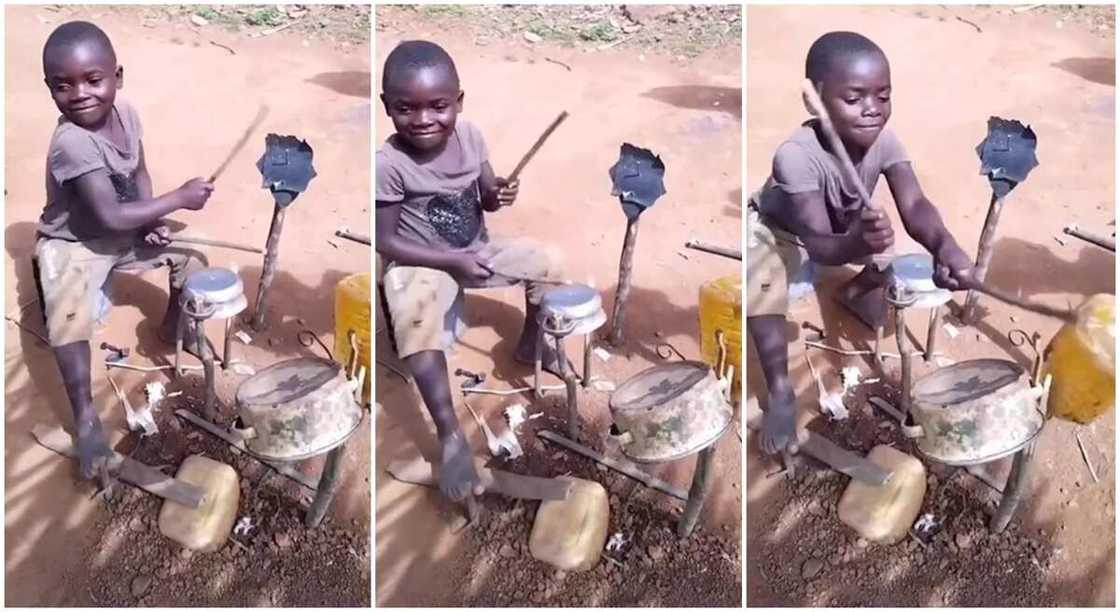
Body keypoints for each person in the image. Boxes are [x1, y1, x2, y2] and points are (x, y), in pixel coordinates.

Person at [746, 31, 977, 454]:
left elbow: (915, 205)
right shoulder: (795, 155)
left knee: (894, 257)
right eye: (854, 99)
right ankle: (780, 391)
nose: (872, 110)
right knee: (761, 290)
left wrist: (945, 246)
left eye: (883, 96)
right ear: (813, 101)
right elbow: (816, 244)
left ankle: (853, 292)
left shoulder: (885, 140)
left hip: (845, 225)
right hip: (785, 230)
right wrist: (856, 243)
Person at [375, 40, 564, 504]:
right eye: (406, 109)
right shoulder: (389, 164)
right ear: (387, 108)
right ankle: (450, 436)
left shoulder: (472, 137)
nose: (423, 120)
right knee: (416, 320)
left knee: (550, 262)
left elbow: (483, 196)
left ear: (459, 102)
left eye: (439, 106)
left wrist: (497, 194)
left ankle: (532, 343)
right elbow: (386, 241)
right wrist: (453, 262)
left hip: (473, 250)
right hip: (421, 263)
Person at [36, 21, 214, 481]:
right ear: (50, 89)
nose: (80, 94)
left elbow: (139, 175)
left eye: (93, 80)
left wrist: (153, 219)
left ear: (118, 76)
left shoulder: (127, 114)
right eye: (63, 85)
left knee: (192, 256)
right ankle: (85, 418)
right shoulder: (72, 143)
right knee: (67, 319)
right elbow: (108, 217)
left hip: (122, 231)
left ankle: (178, 326)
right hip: (75, 242)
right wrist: (176, 200)